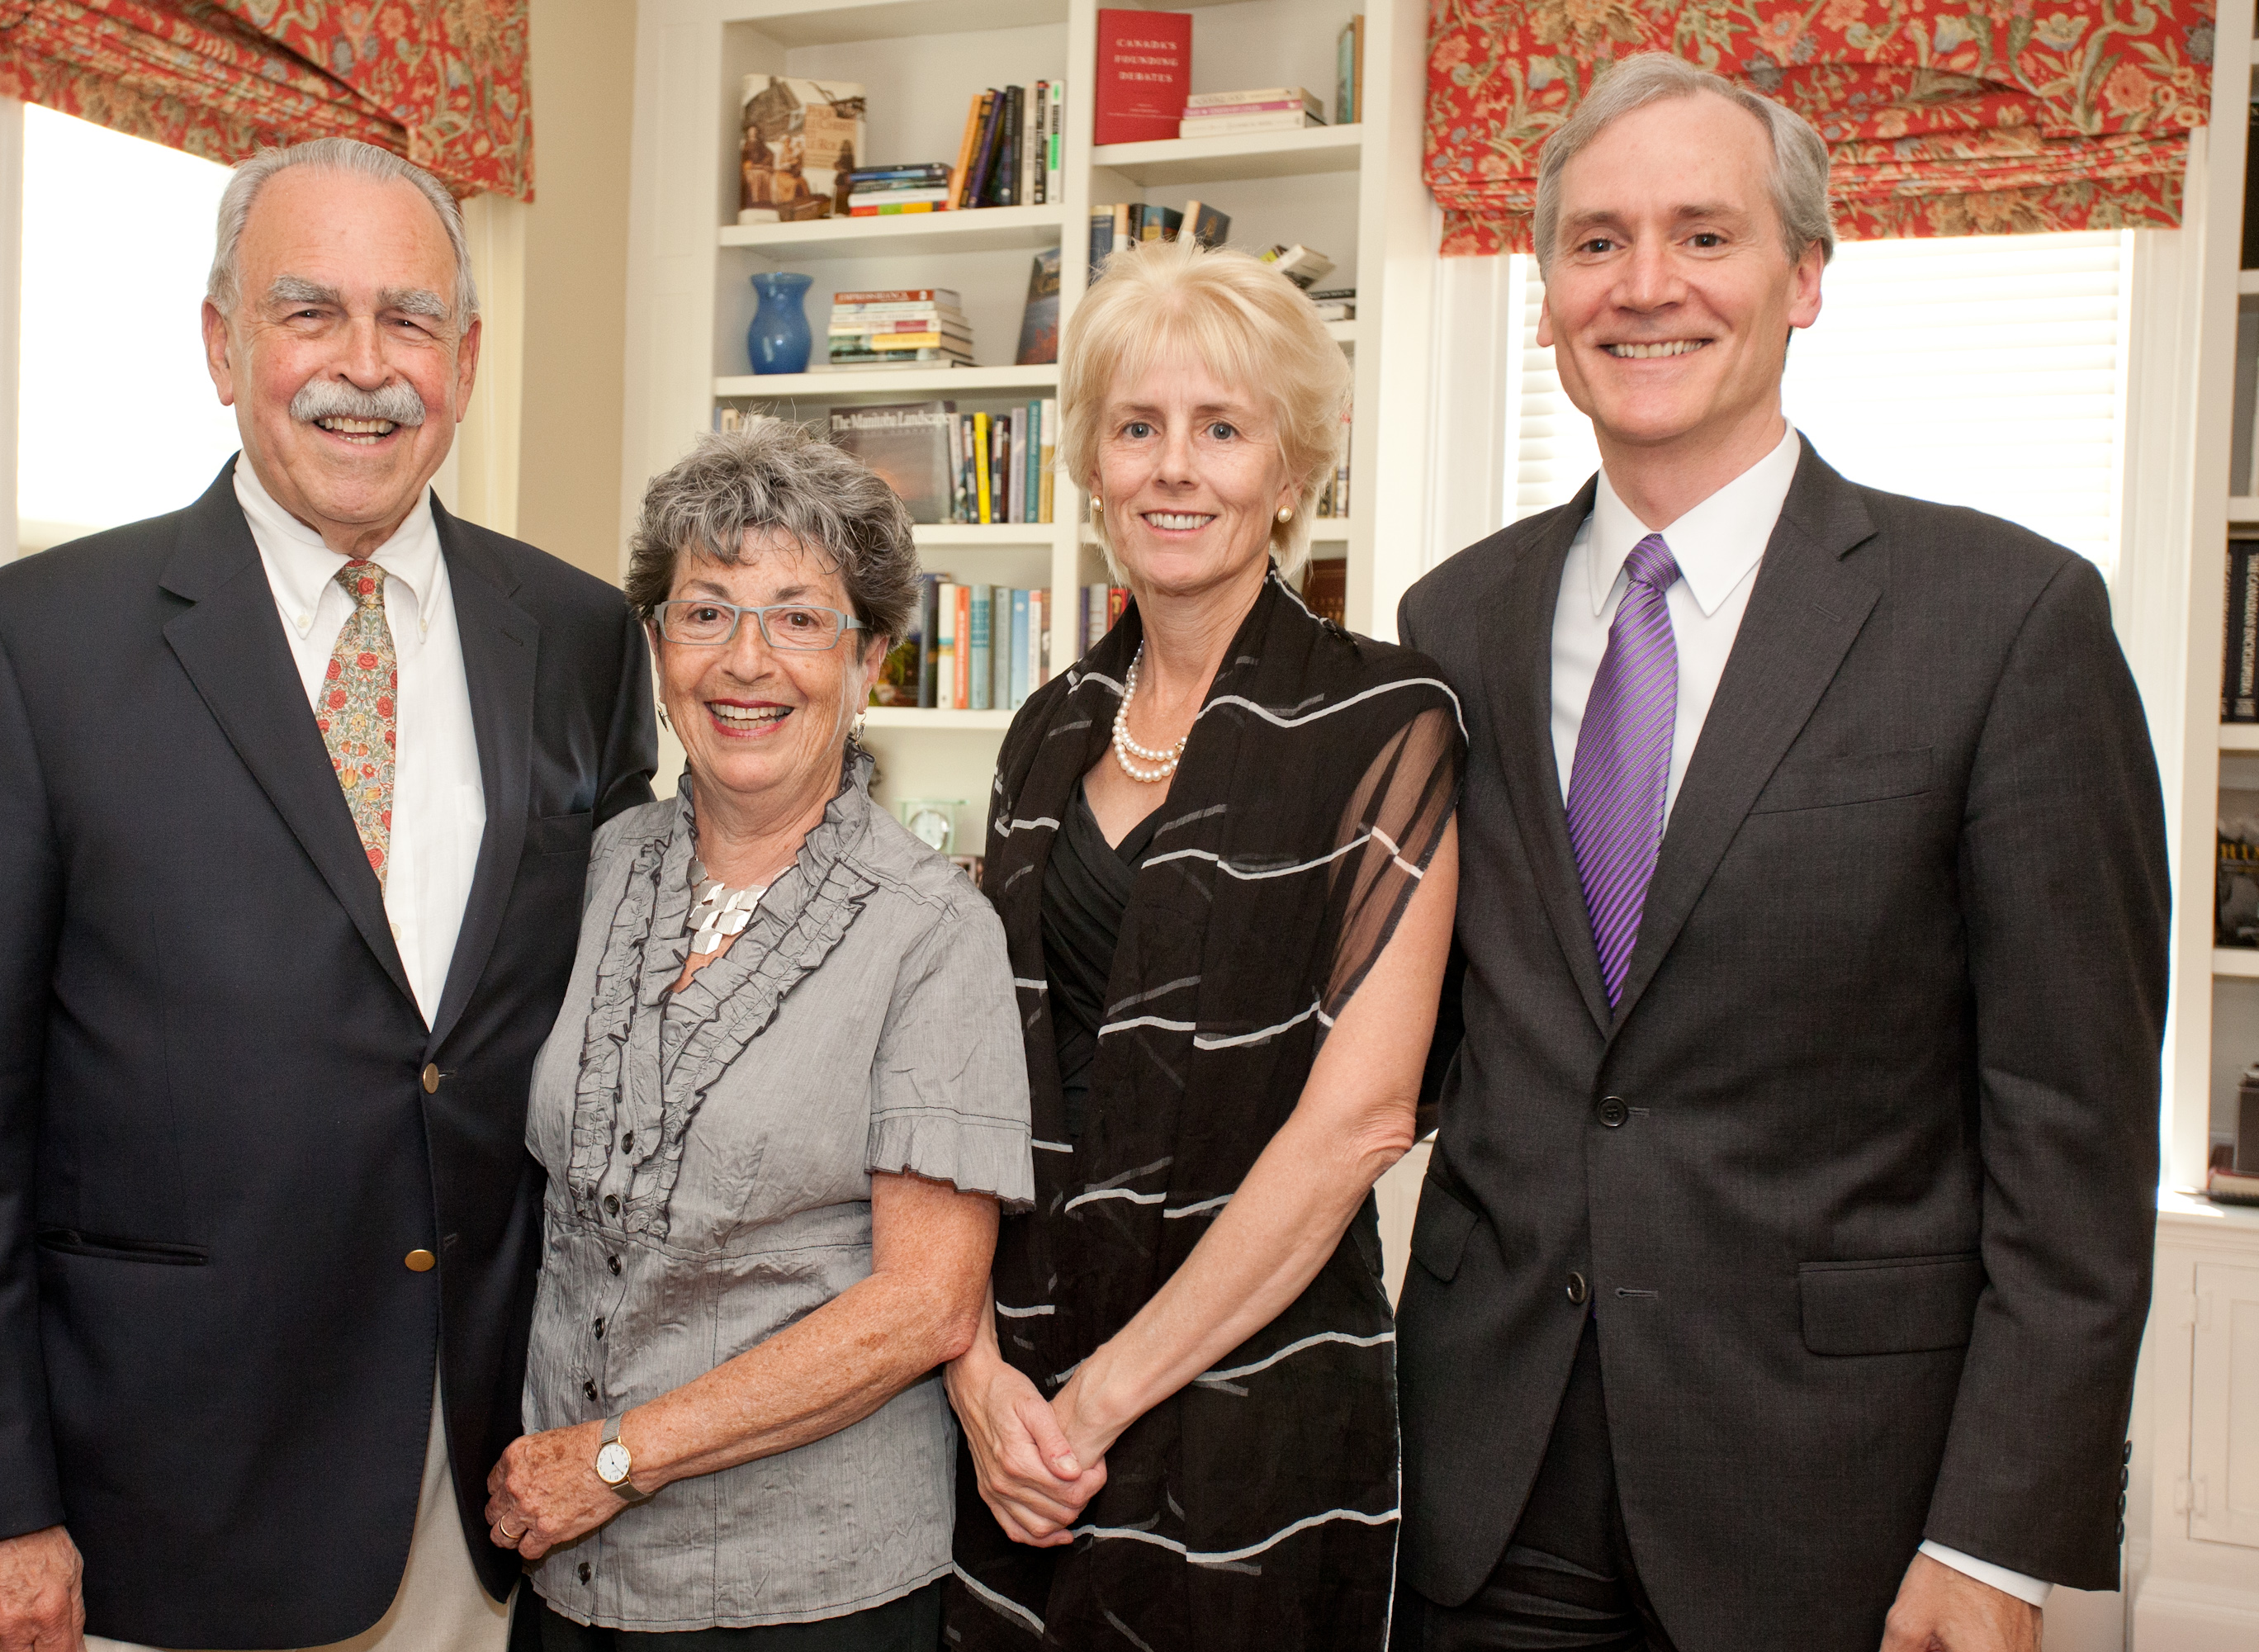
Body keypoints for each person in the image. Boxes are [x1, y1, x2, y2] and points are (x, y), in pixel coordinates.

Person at [1394, 53, 2166, 1652]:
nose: (1646, 285)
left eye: (1705, 234)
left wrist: (1998, 1539)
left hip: (1841, 1506)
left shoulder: (2007, 621)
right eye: (1596, 242)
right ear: (1543, 296)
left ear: (1808, 277)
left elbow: (2073, 1136)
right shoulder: (1451, 621)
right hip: (1486, 1483)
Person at [0, 137, 656, 1651]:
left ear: (468, 358)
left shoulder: (576, 635)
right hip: (152, 1505)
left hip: (484, 1487)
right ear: (222, 342)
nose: (365, 368)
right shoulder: (32, 651)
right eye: (310, 312)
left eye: (411, 320)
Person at [944, 239, 1466, 1650]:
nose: (1176, 467)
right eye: (1139, 427)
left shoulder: (1386, 723)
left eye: (1221, 429)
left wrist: (1097, 1400)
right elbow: (974, 1082)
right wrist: (981, 1379)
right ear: (1094, 468)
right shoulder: (1045, 728)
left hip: (1255, 1404)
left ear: (1290, 469)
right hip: (1020, 1402)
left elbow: (1357, 1122)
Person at [481, 420, 1035, 1648]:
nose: (746, 661)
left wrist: (619, 1457)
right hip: (565, 1566)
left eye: (798, 617)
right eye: (706, 611)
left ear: (871, 657)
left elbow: (925, 1304)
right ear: (657, 642)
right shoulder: (587, 871)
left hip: (807, 1591)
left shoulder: (933, 930)